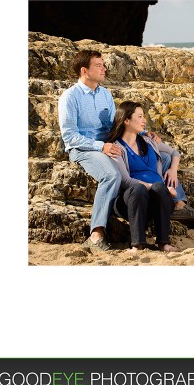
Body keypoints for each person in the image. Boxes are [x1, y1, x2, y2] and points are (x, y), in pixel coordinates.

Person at [58, 50, 122, 251]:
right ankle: (96, 235)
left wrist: (141, 134)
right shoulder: (70, 97)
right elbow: (70, 136)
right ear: (84, 70)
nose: (104, 68)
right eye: (99, 65)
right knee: (111, 175)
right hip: (84, 149)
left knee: (158, 153)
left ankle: (178, 204)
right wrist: (100, 146)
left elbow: (115, 124)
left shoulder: (105, 94)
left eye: (103, 65)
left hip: (107, 145)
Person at [106, 101, 182, 252]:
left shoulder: (149, 141)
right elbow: (126, 181)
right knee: (139, 188)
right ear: (126, 120)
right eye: (139, 116)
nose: (144, 120)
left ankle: (163, 243)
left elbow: (175, 153)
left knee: (159, 187)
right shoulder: (116, 147)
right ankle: (138, 245)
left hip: (158, 199)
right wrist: (156, 187)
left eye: (143, 116)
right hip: (131, 201)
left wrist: (173, 170)